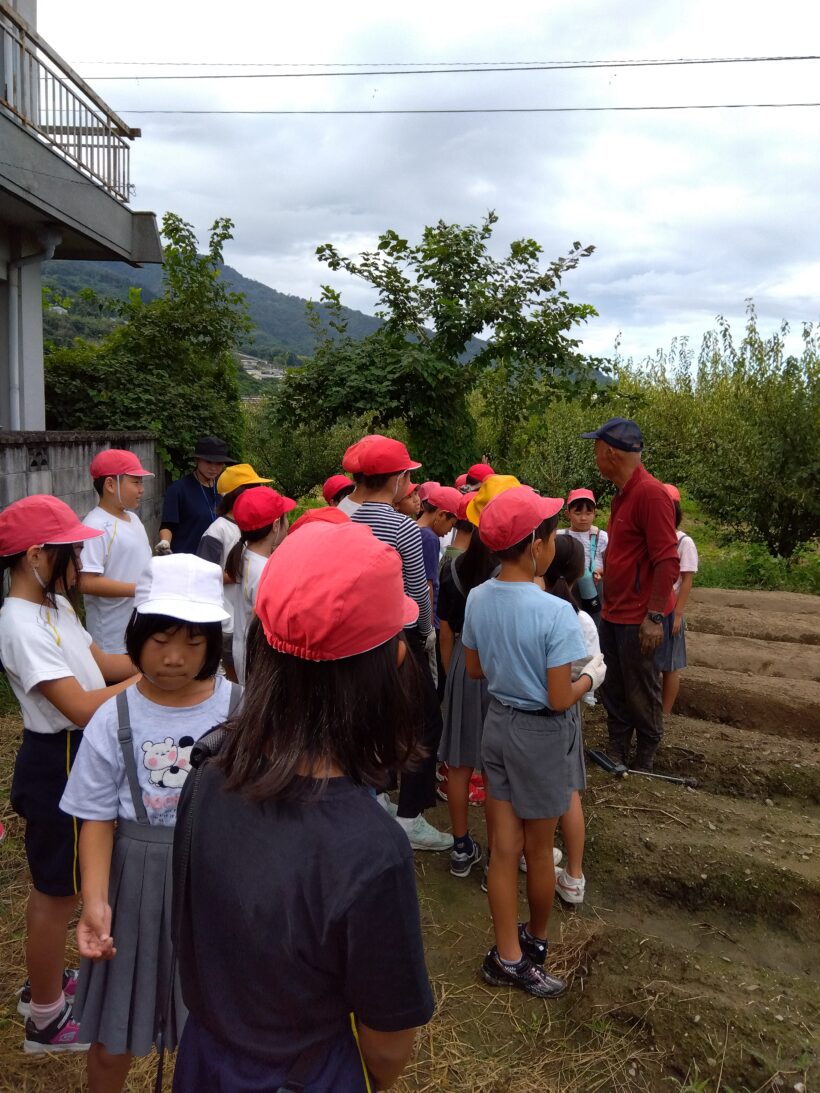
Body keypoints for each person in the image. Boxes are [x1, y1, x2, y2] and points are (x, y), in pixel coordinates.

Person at [172, 520, 435, 1091]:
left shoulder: (208, 772)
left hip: (205, 1061)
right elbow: (386, 1050)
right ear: (390, 663)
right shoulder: (372, 850)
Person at [59, 554, 236, 1093]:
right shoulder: (114, 717)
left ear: (213, 643)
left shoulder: (242, 711)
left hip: (215, 886)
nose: (175, 658)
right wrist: (95, 901)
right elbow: (94, 818)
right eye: (160, 642)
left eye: (192, 642)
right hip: (131, 887)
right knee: (113, 1035)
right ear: (137, 637)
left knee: (216, 1030)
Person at [0, 496, 139, 1053]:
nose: (81, 556)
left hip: (77, 752)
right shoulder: (17, 622)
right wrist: (153, 681)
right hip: (55, 759)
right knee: (55, 895)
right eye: (71, 549)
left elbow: (102, 663)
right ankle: (47, 1019)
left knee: (72, 885)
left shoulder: (55, 606)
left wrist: (161, 650)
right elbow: (82, 706)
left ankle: (46, 986)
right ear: (37, 555)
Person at [461, 486, 606, 998]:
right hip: (540, 732)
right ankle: (535, 946)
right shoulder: (555, 613)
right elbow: (560, 696)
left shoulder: (479, 596)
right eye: (548, 533)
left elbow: (474, 669)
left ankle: (506, 953)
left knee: (504, 848)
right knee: (540, 852)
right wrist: (593, 676)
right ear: (534, 545)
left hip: (497, 724)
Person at [350, 436, 452, 852]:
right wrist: (426, 633)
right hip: (396, 640)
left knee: (366, 720)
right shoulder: (401, 527)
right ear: (396, 479)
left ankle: (371, 798)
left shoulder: (342, 518)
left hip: (351, 642)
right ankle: (409, 816)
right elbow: (416, 592)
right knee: (425, 722)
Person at [580, 418, 680, 771]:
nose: (594, 455)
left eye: (595, 448)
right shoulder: (623, 494)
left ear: (609, 452)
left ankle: (645, 757)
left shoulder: (651, 494)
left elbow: (668, 560)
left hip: (639, 617)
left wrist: (654, 616)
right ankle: (618, 748)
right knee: (615, 686)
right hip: (614, 611)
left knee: (642, 688)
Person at [541, 534, 603, 906]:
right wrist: (587, 686)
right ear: (581, 572)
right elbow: (588, 674)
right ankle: (574, 877)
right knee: (567, 792)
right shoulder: (581, 620)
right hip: (566, 714)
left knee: (530, 793)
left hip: (528, 713)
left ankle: (536, 853)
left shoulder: (533, 610)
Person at [437, 525, 498, 877]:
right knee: (495, 769)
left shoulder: (453, 569)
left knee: (458, 763)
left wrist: (451, 673)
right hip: (497, 663)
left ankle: (460, 847)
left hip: (462, 658)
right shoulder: (506, 574)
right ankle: (499, 854)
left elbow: (445, 632)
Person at [196, 463, 272, 681]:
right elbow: (204, 574)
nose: (259, 492)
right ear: (236, 495)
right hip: (229, 619)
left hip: (247, 617)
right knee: (236, 677)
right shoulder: (217, 530)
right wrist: (240, 574)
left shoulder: (250, 524)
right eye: (254, 488)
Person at [79, 449, 154, 655]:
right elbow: (86, 582)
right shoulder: (95, 526)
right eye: (135, 482)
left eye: (141, 483)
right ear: (110, 484)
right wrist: (139, 589)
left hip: (141, 629)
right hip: (112, 641)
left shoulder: (134, 519)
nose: (142, 490)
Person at [225, 486, 294, 684]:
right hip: (260, 660)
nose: (288, 524)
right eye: (285, 518)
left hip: (245, 652)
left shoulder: (246, 554)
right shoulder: (265, 571)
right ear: (275, 525)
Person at [158, 437, 236, 556]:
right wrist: (165, 543)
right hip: (186, 561)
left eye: (219, 463)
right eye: (208, 462)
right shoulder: (178, 489)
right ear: (197, 460)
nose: (214, 468)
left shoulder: (224, 489)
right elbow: (168, 525)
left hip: (215, 563)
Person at [659, 484, 699, 715]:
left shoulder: (684, 542)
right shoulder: (654, 538)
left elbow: (686, 580)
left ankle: (665, 713)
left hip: (671, 609)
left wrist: (678, 614)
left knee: (670, 665)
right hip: (653, 609)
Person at [416, 484, 461, 687]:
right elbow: (428, 584)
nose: (448, 532)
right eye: (451, 524)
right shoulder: (430, 538)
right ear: (441, 515)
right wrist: (430, 626)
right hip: (427, 621)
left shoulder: (414, 529)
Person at [558, 488, 608, 626]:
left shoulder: (601, 537)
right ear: (568, 513)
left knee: (595, 622)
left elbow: (610, 563)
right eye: (578, 512)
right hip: (569, 587)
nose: (583, 518)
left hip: (595, 588)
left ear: (595, 513)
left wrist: (599, 571)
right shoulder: (561, 536)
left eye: (588, 513)